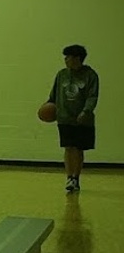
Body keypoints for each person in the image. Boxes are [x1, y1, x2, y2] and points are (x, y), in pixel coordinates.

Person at [47, 44, 99, 193]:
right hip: (64, 118)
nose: (65, 60)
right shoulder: (61, 74)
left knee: (78, 149)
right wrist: (48, 105)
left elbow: (92, 96)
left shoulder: (90, 75)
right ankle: (69, 177)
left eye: (68, 57)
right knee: (68, 147)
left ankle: (76, 178)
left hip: (82, 119)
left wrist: (86, 111)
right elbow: (53, 94)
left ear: (77, 58)